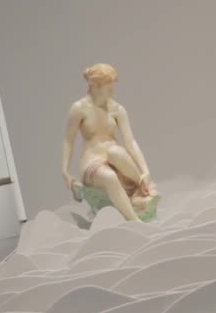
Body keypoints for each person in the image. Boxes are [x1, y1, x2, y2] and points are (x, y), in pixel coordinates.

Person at [62, 63, 158, 221]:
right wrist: (65, 172)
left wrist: (145, 171)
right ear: (95, 86)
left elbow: (130, 142)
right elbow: (68, 141)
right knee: (110, 177)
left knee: (115, 152)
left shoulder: (117, 109)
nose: (112, 91)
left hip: (116, 159)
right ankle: (134, 220)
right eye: (109, 87)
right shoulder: (79, 108)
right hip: (92, 161)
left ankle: (143, 187)